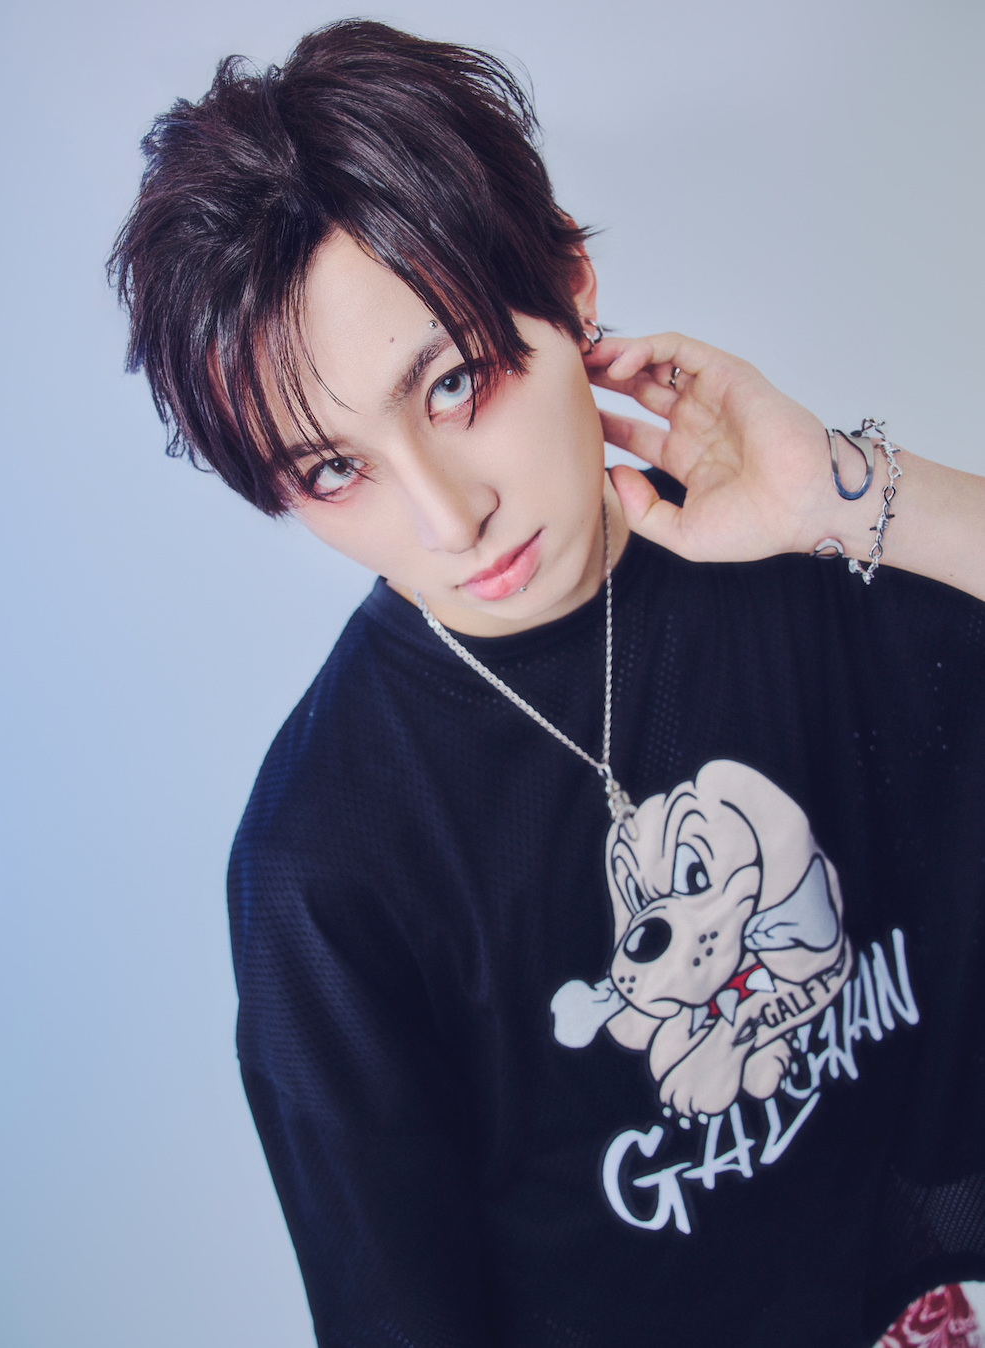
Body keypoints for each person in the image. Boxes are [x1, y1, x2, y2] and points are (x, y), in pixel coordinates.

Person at [110, 19, 985, 1347]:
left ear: (571, 285)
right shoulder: (324, 861)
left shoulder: (817, 562)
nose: (447, 517)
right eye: (334, 470)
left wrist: (850, 498)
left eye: (456, 381)